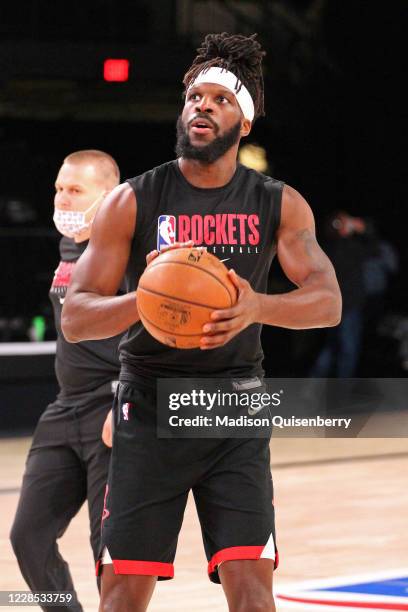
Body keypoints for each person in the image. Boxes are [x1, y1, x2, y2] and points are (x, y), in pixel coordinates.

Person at [62, 33, 342, 612]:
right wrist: (146, 300)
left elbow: (327, 302)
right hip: (150, 404)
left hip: (235, 406)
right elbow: (77, 317)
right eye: (195, 96)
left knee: (252, 591)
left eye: (220, 99)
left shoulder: (277, 202)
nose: (203, 106)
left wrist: (259, 305)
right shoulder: (133, 200)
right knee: (121, 596)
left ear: (244, 123)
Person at [10, 150, 121, 612]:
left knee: (110, 551)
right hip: (65, 405)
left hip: (113, 407)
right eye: (59, 188)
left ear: (110, 197)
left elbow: (158, 330)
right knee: (28, 536)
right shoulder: (69, 244)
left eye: (76, 190)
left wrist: (128, 398)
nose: (63, 198)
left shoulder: (129, 249)